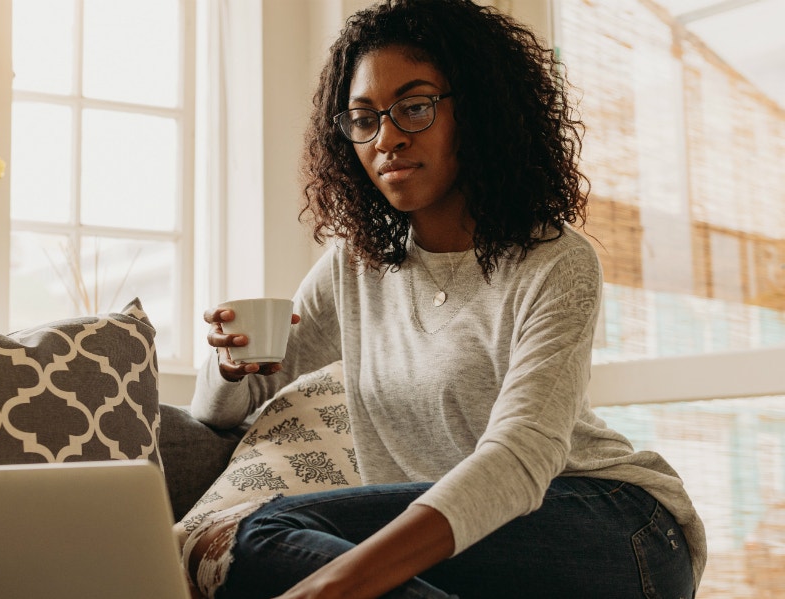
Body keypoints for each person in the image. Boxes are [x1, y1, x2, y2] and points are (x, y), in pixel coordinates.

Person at [187, 1, 706, 598]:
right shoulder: (354, 269)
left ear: (480, 111)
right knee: (253, 539)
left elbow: (519, 460)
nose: (387, 139)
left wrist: (330, 586)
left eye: (414, 107)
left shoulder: (555, 262)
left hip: (613, 524)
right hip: (460, 543)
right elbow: (218, 411)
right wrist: (231, 365)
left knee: (276, 530)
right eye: (364, 118)